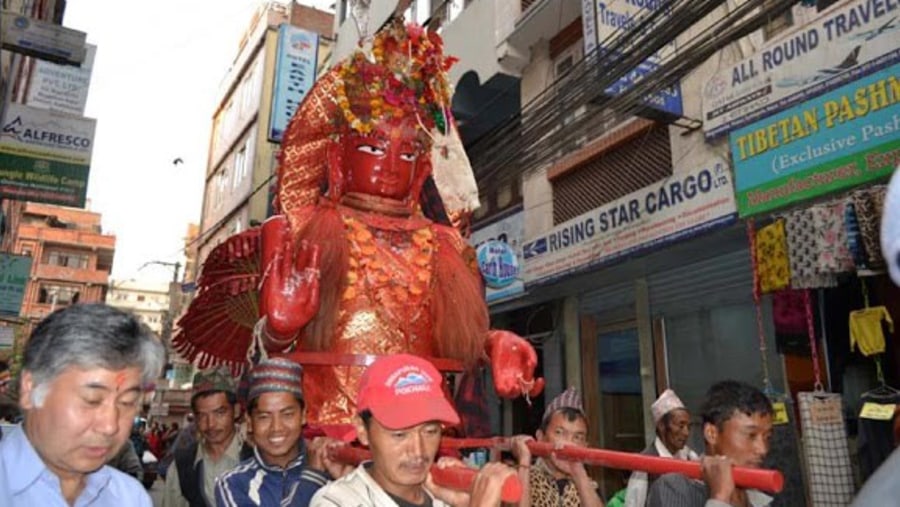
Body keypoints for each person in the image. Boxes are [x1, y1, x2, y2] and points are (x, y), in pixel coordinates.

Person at [173, 16, 543, 432]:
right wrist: (277, 330)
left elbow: (455, 344)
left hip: (417, 437)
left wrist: (494, 344)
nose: (388, 166)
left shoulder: (444, 244)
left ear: (422, 169)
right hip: (326, 436)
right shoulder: (305, 231)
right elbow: (269, 364)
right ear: (337, 159)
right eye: (371, 147)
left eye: (405, 155)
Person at [0, 303, 166, 506]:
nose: (110, 426)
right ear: (30, 389)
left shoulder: (129, 498)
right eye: (92, 400)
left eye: (127, 402)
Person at [310, 353, 517, 506]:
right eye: (400, 435)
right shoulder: (336, 501)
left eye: (430, 432)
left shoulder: (443, 499)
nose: (418, 451)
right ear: (363, 430)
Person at [215, 357, 347, 506]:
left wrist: (349, 482)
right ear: (250, 422)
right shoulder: (234, 484)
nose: (276, 428)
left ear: (303, 415)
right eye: (264, 417)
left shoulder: (331, 465)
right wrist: (312, 477)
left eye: (287, 414)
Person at [647, 380, 774, 507]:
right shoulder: (673, 488)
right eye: (751, 435)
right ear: (712, 433)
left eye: (767, 437)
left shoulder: (757, 496)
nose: (763, 449)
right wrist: (720, 497)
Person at [163, 366, 250, 507]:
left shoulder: (256, 459)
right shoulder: (182, 466)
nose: (210, 424)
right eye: (202, 415)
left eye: (219, 413)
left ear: (236, 411)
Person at [511, 386, 605, 507]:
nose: (568, 443)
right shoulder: (519, 476)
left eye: (577, 437)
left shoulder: (589, 486)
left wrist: (578, 473)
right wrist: (524, 462)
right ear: (540, 437)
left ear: (585, 446)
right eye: (560, 433)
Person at [625, 389, 699, 507]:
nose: (686, 433)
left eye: (688, 427)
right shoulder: (644, 465)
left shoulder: (690, 456)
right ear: (661, 426)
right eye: (680, 426)